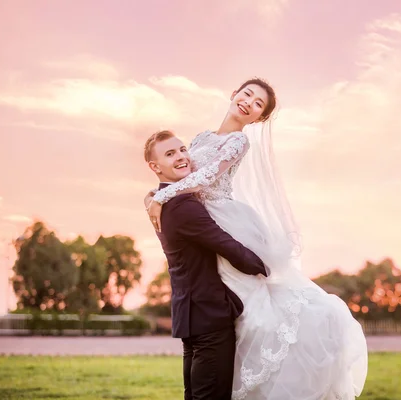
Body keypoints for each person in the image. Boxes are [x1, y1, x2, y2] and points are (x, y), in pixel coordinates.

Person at [145, 78, 368, 399]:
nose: (249, 102)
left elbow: (204, 177)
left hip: (219, 214)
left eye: (258, 104)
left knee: (254, 299)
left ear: (258, 117)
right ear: (233, 94)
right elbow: (178, 169)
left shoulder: (238, 142)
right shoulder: (201, 137)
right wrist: (155, 195)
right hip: (196, 215)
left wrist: (161, 197)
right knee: (220, 291)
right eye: (247, 94)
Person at [144, 130, 268, 400]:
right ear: (155, 167)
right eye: (170, 154)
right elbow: (227, 246)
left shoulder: (161, 202)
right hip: (209, 318)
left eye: (182, 149)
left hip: (190, 318)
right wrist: (266, 267)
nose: (181, 157)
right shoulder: (182, 206)